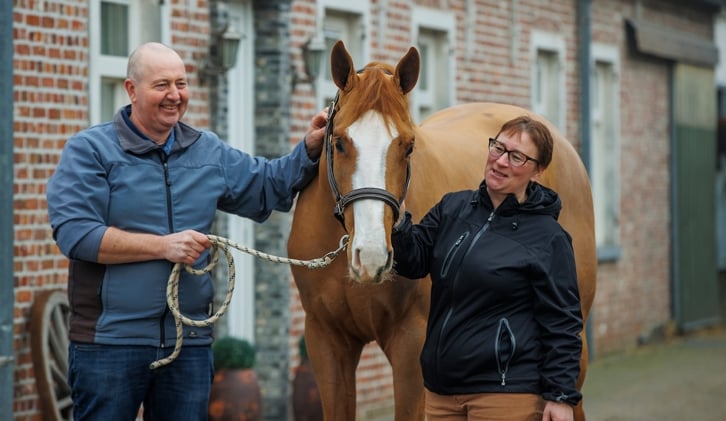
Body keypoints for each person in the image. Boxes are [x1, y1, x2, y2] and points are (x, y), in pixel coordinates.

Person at [46, 42, 328, 420]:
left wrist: (309, 148)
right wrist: (164, 247)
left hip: (188, 344)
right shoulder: (91, 150)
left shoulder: (206, 150)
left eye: (181, 83)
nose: (174, 95)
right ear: (131, 90)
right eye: (162, 85)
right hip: (110, 343)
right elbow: (76, 234)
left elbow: (267, 187)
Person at [392, 115, 583, 421]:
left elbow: (562, 323)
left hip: (506, 395)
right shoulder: (452, 208)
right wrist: (398, 223)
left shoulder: (549, 238)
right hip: (441, 393)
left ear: (538, 171)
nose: (501, 161)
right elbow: (413, 262)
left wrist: (561, 397)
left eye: (517, 156)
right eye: (498, 148)